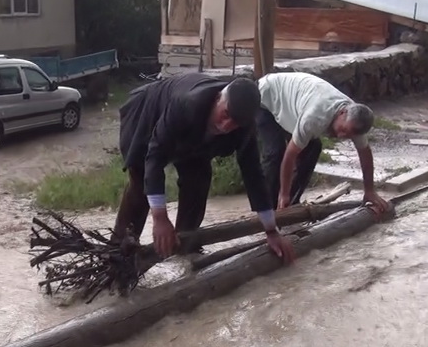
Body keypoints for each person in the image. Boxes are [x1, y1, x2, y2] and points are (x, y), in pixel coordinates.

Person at [114, 73, 295, 263]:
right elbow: (155, 156)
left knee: (199, 180)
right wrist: (160, 218)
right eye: (225, 115)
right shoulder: (187, 103)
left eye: (234, 123)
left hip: (194, 138)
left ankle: (184, 248)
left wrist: (271, 231)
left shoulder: (243, 128)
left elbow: (254, 175)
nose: (226, 126)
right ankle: (119, 251)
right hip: (147, 116)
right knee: (141, 184)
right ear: (218, 98)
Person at [257, 72, 392, 214]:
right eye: (343, 130)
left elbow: (365, 153)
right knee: (276, 153)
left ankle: (289, 204)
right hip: (266, 96)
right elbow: (290, 155)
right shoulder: (315, 117)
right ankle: (267, 209)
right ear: (342, 113)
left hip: (291, 104)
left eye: (348, 136)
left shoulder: (356, 120)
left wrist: (369, 191)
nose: (341, 136)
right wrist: (283, 193)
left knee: (313, 148)